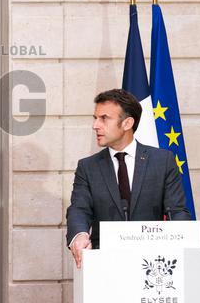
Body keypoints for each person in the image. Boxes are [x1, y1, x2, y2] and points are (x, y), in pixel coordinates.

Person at [66, 88, 190, 269]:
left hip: (154, 263)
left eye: (104, 118)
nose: (95, 125)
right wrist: (79, 235)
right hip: (105, 264)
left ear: (127, 123)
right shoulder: (88, 167)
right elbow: (79, 208)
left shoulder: (163, 161)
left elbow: (177, 211)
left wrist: (183, 243)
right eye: (95, 118)